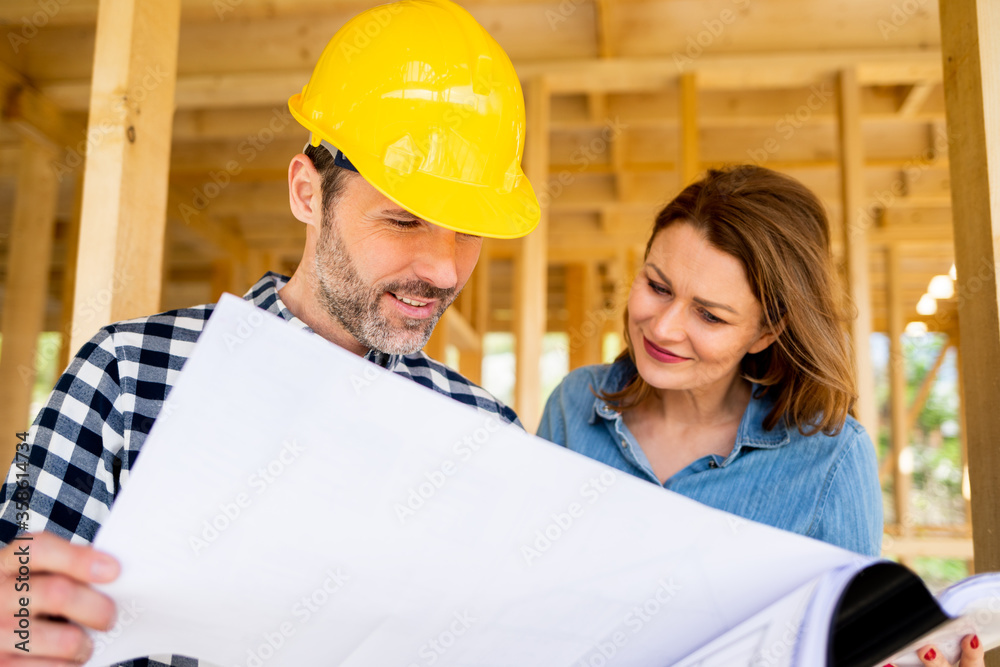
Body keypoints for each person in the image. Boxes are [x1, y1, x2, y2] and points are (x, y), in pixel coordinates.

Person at [0, 0, 537, 664]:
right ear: (308, 193)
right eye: (404, 221)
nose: (444, 267)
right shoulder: (128, 374)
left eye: (469, 232)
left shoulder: (489, 440)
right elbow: (20, 601)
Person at [538, 165, 874, 556]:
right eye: (658, 287)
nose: (663, 328)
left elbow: (858, 618)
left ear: (767, 332)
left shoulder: (833, 458)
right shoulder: (573, 405)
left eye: (710, 315)